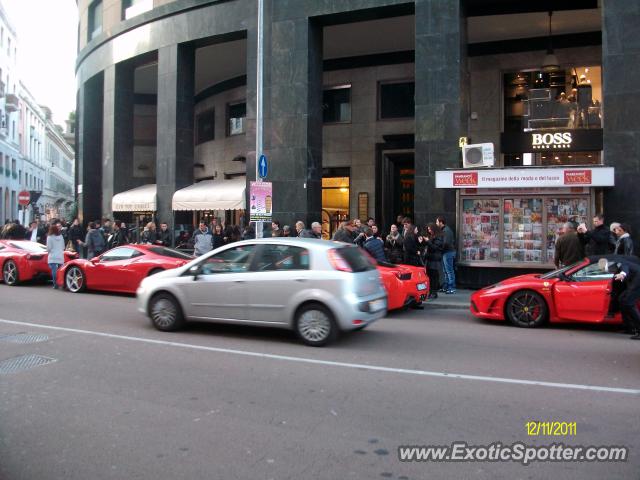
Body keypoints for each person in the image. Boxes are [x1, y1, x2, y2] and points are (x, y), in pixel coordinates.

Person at [607, 259, 640, 339]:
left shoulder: (623, 265)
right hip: (634, 282)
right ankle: (629, 327)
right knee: (622, 299)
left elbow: (624, 270)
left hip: (638, 281)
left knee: (629, 303)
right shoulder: (620, 265)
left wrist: (622, 275)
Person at [436, 216, 457, 294]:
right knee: (446, 271)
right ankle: (446, 287)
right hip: (446, 252)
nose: (436, 223)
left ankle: (452, 287)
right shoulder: (444, 230)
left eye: (437, 222)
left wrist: (439, 248)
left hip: (448, 252)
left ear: (441, 222)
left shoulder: (446, 231)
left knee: (449, 271)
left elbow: (446, 243)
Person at [423, 223, 444, 299]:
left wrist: (428, 241)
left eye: (430, 229)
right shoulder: (433, 236)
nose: (429, 231)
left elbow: (435, 247)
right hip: (430, 259)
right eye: (428, 229)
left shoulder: (439, 236)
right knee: (430, 277)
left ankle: (434, 293)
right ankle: (431, 292)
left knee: (434, 277)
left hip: (435, 259)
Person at [46, 223, 65, 289]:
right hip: (60, 255)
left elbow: (48, 248)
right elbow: (63, 247)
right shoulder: (61, 236)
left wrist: (48, 251)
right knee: (60, 270)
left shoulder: (49, 237)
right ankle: (61, 283)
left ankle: (55, 284)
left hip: (53, 256)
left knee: (54, 270)